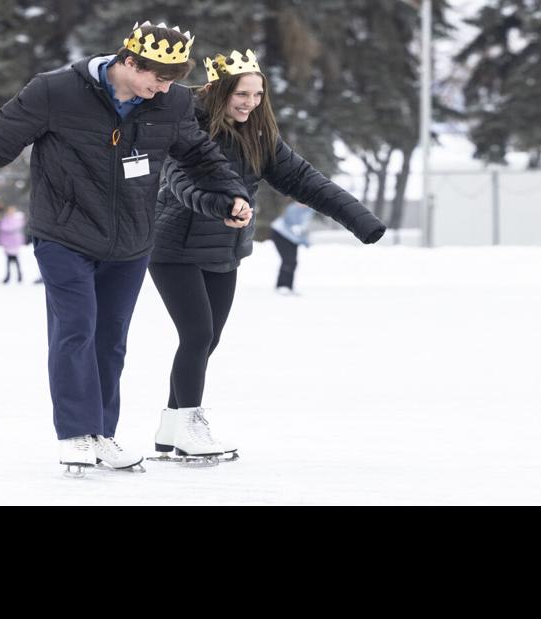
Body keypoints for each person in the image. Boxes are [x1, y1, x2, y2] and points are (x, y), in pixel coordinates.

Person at [0, 20, 253, 476]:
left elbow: (199, 154)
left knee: (111, 340)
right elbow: (2, 133)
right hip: (64, 233)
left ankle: (102, 434)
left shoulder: (170, 103)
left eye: (171, 81)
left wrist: (232, 193)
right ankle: (76, 434)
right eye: (156, 78)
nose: (162, 89)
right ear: (128, 62)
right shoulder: (56, 91)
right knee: (76, 328)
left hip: (132, 239)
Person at [147, 49, 385, 460]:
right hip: (174, 245)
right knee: (198, 334)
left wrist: (362, 221)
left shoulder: (259, 135)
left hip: (225, 248)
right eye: (241, 94)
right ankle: (190, 424)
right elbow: (182, 181)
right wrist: (224, 206)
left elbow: (307, 181)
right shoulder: (186, 125)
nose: (250, 103)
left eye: (257, 95)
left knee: (208, 339)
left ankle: (172, 428)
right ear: (218, 90)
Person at [270, 199, 312, 295]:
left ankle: (288, 286)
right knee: (288, 260)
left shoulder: (309, 210)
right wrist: (302, 236)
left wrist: (305, 241)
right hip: (280, 234)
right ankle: (282, 286)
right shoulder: (293, 208)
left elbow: (303, 227)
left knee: (293, 261)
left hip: (292, 237)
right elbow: (292, 225)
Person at [0, 204, 28, 284]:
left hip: (14, 243)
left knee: (16, 260)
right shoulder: (5, 219)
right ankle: (8, 276)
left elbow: (14, 227)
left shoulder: (17, 219)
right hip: (7, 244)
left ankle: (19, 276)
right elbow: (3, 228)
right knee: (8, 261)